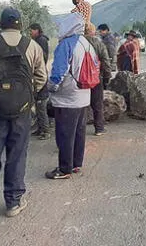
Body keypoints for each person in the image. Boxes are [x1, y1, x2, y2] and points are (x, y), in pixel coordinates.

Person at [0, 7, 46, 220]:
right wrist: (27, 96)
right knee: (17, 155)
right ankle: (13, 202)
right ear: (21, 24)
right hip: (22, 111)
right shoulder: (31, 45)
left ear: (1, 23)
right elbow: (41, 77)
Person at [45, 13, 96, 180]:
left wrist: (50, 88)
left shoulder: (66, 44)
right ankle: (76, 164)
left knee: (65, 134)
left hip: (67, 98)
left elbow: (58, 73)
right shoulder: (87, 44)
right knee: (79, 132)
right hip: (84, 95)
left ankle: (64, 169)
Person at [85, 23, 112, 136]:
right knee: (97, 104)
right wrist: (107, 77)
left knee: (81, 104)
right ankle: (99, 128)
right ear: (93, 31)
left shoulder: (76, 42)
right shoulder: (98, 43)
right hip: (95, 77)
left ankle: (79, 128)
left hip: (79, 79)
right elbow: (105, 61)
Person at [29, 23, 51, 140]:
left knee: (41, 106)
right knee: (38, 106)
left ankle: (45, 131)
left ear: (37, 30)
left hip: (40, 77)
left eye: (32, 30)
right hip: (39, 75)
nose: (30, 32)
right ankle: (40, 129)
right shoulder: (39, 40)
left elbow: (43, 57)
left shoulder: (41, 40)